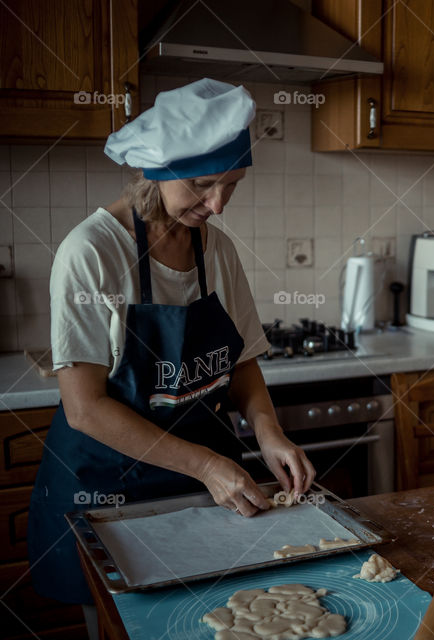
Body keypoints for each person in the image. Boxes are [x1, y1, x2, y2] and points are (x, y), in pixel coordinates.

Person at [28, 79, 315, 614]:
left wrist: (269, 433)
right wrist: (206, 467)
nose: (219, 205)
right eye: (204, 184)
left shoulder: (215, 248)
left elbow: (243, 359)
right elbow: (84, 407)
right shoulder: (90, 252)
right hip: (110, 488)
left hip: (205, 488)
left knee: (217, 618)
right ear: (154, 171)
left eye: (232, 184)